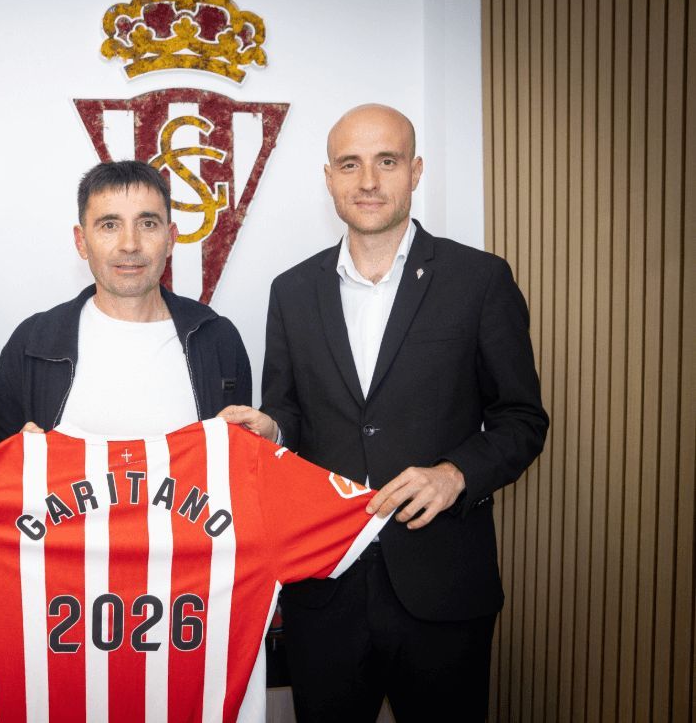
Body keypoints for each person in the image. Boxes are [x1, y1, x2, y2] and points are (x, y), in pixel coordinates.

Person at [219, 104, 548, 721]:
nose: (368, 180)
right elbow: (288, 407)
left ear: (415, 170)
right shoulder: (291, 290)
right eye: (351, 164)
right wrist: (273, 427)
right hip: (324, 588)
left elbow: (522, 420)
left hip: (444, 587)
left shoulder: (479, 280)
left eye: (386, 161)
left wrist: (454, 475)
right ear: (329, 178)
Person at [0, 159, 252, 446]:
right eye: (109, 225)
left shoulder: (217, 338)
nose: (130, 244)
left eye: (147, 224)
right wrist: (11, 458)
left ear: (171, 238)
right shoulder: (33, 341)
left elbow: (239, 466)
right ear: (81, 241)